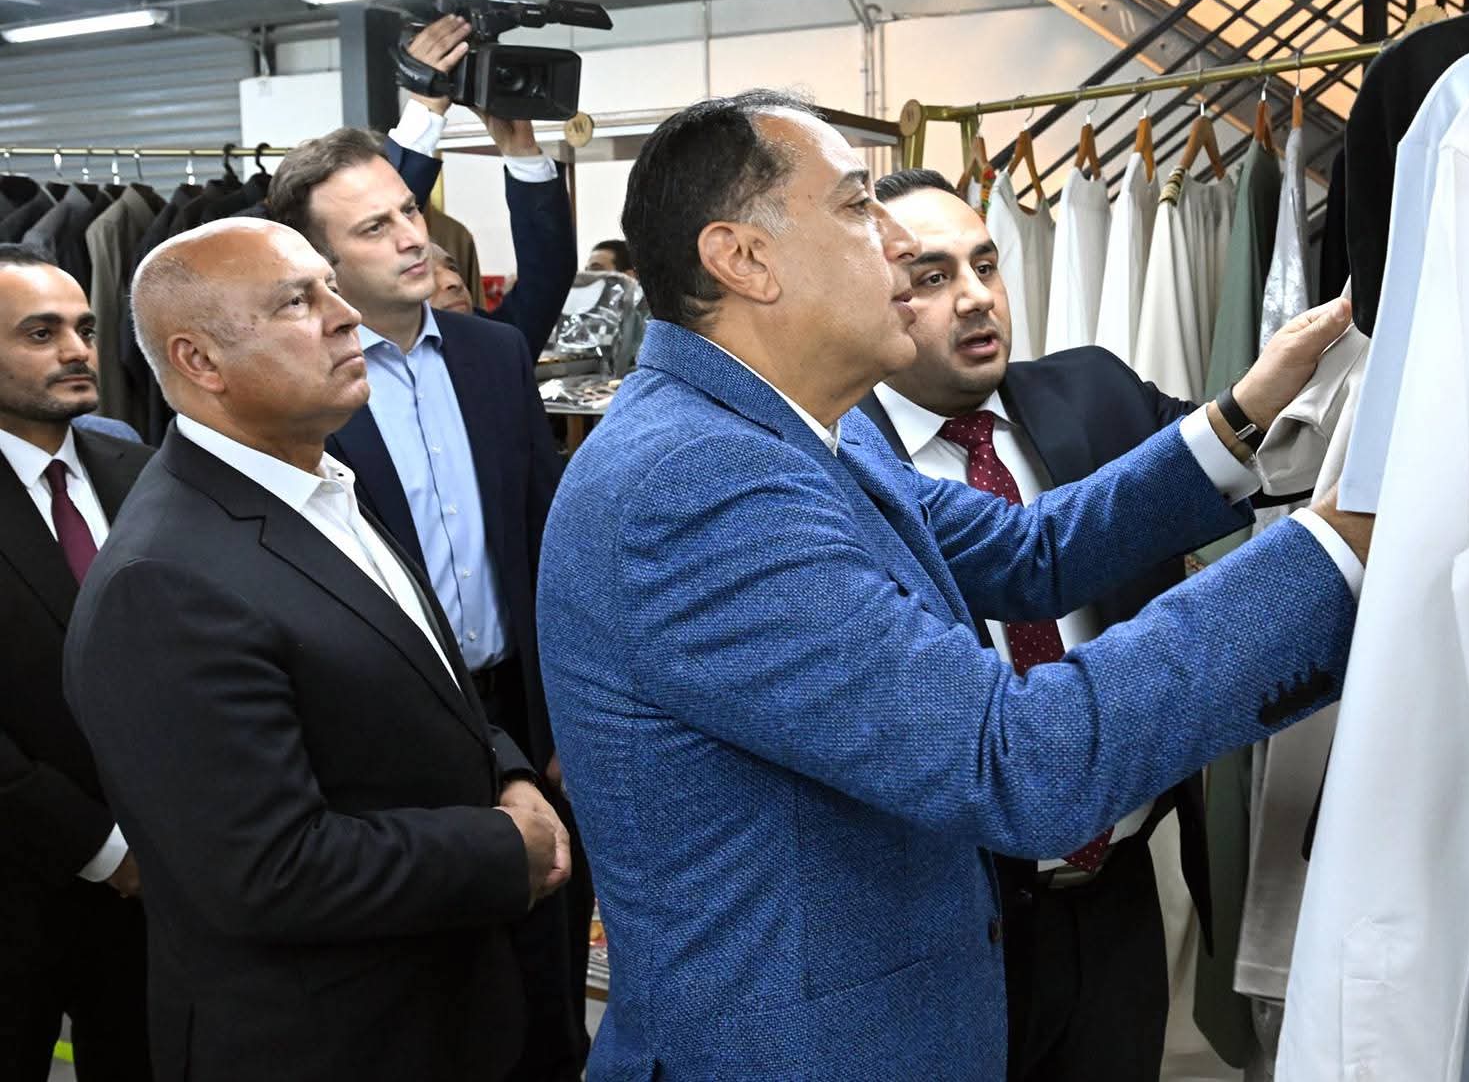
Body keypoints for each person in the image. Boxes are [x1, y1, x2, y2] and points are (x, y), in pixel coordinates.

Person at [538, 90, 1372, 1081]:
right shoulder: (700, 481)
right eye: (857, 207)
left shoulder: (805, 432)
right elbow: (1013, 758)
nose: (895, 247)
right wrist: (1331, 550)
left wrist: (1244, 409)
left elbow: (1031, 550)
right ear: (744, 259)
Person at [62, 220, 570, 1082]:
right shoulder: (163, 581)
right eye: (298, 301)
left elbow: (411, 685)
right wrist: (499, 846)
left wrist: (509, 768)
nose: (346, 316)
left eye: (331, 286)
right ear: (200, 360)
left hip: (443, 1009)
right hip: (330, 1041)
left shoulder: (319, 485)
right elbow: (266, 870)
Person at [859, 167, 1215, 1081]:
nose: (976, 296)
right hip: (954, 923)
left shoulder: (1093, 392)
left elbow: (1255, 453)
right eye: (931, 276)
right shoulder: (839, 466)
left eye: (985, 265)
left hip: (1117, 896)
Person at [265, 130, 589, 1081]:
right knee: (432, 995)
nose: (413, 236)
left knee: (548, 989)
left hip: (520, 705)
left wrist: (564, 716)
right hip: (389, 728)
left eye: (409, 212)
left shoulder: (492, 354)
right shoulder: (296, 387)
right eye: (374, 227)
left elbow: (546, 544)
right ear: (319, 263)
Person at [0, 246, 153, 1081]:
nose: (76, 350)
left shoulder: (141, 469)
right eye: (40, 332)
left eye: (86, 329)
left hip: (159, 877)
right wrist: (103, 846)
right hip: (20, 883)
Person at [383, 13, 579, 362]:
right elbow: (378, 232)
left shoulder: (493, 349)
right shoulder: (369, 357)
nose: (453, 282)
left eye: (452, 267)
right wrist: (425, 110)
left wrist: (522, 153)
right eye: (426, 271)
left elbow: (547, 277)